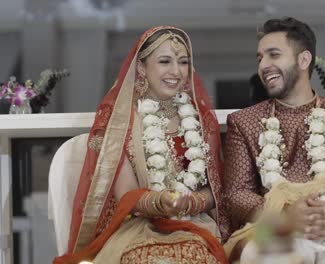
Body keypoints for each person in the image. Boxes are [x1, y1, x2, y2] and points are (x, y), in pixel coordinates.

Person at [54, 26, 229, 263]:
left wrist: (191, 202)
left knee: (195, 256)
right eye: (165, 61)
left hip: (194, 224)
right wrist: (160, 202)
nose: (176, 71)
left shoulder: (199, 121)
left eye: (184, 62)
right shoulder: (121, 125)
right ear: (141, 67)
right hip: (139, 226)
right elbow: (126, 194)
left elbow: (216, 190)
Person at [222, 17, 325, 263]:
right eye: (260, 58)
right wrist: (286, 214)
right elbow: (237, 195)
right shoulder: (244, 122)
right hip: (274, 230)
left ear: (304, 59)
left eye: (273, 55)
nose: (263, 65)